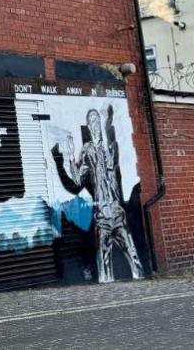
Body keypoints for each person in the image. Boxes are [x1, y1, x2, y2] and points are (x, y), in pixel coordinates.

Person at [53, 104, 144, 282]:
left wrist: (108, 121)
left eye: (97, 120)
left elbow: (114, 164)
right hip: (102, 215)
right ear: (88, 125)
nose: (95, 123)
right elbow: (78, 179)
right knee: (104, 260)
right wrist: (71, 156)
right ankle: (106, 284)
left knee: (133, 255)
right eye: (91, 121)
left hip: (117, 210)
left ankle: (139, 279)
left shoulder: (108, 148)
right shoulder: (87, 150)